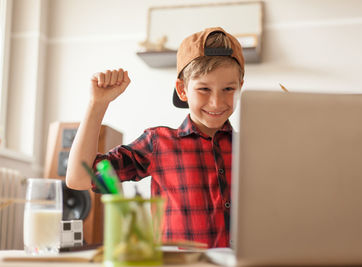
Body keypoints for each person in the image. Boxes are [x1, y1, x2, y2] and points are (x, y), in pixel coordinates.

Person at [66, 27, 245, 248]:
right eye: (204, 89)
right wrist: (98, 104)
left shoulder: (250, 147)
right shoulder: (158, 143)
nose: (217, 102)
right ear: (182, 90)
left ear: (240, 88)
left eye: (228, 88)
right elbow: (79, 177)